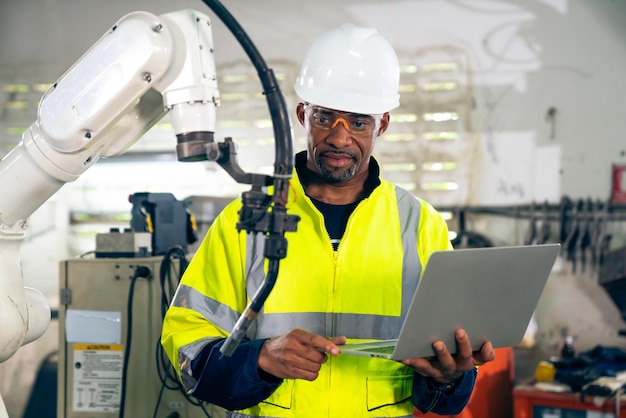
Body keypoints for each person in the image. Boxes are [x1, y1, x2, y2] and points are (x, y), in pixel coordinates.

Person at [161, 23, 495, 417]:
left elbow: (442, 386)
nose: (339, 139)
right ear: (303, 114)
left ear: (381, 125)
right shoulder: (246, 219)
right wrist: (261, 359)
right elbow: (187, 344)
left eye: (358, 122)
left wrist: (451, 377)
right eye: (325, 118)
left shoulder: (421, 224)